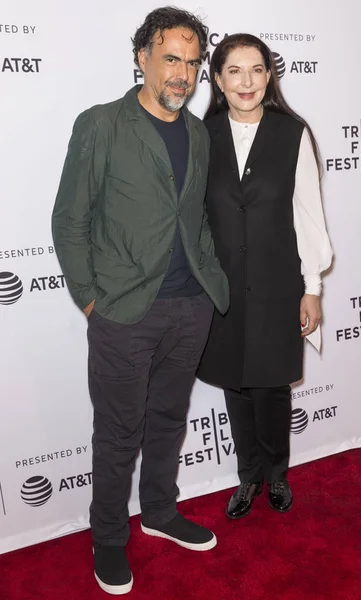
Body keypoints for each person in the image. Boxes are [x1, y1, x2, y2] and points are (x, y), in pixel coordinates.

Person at [52, 7, 229, 596]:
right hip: (124, 312)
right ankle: (107, 538)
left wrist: (207, 281)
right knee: (118, 431)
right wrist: (89, 301)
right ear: (142, 58)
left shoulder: (199, 131)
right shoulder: (101, 124)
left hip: (189, 307)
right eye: (171, 58)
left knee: (168, 421)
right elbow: (69, 220)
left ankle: (158, 510)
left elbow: (196, 215)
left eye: (193, 61)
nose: (183, 74)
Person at [197, 34, 333, 521]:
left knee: (272, 385)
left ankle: (276, 473)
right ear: (217, 79)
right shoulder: (202, 134)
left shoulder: (291, 132)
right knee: (235, 385)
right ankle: (248, 475)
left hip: (279, 285)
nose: (246, 81)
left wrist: (312, 288)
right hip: (223, 288)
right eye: (234, 71)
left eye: (256, 69)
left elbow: (309, 214)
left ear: (270, 75)